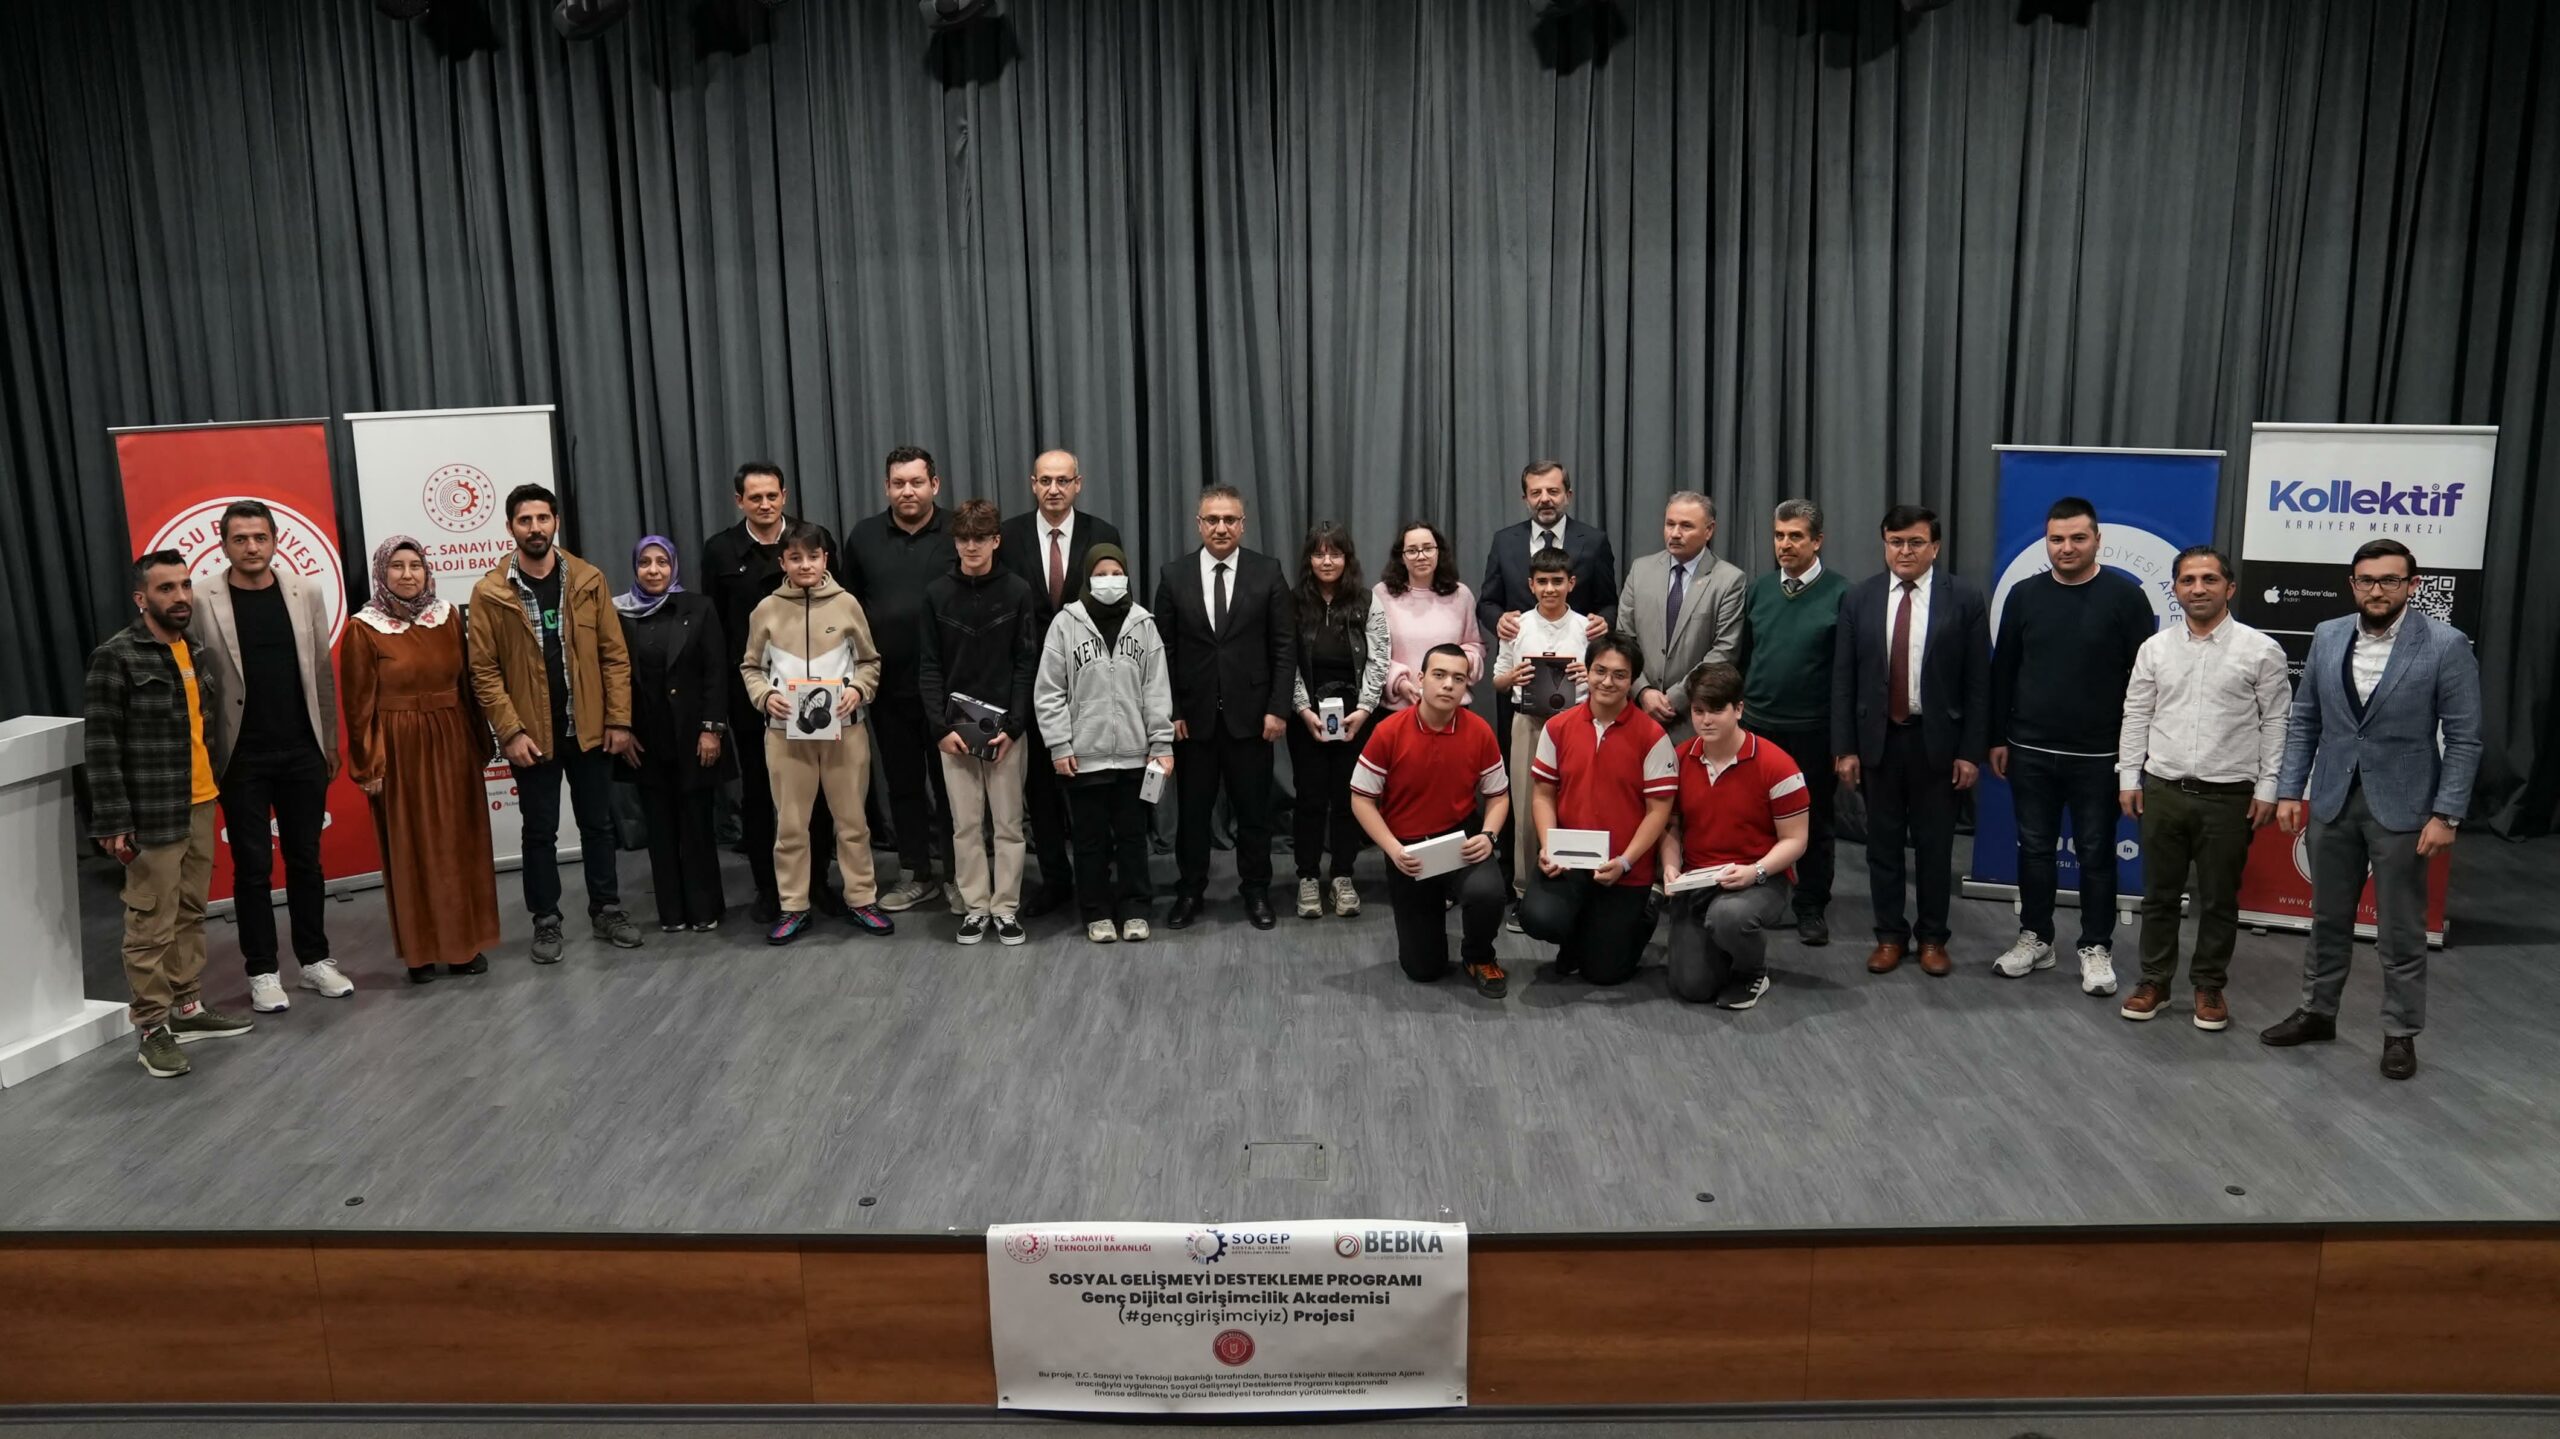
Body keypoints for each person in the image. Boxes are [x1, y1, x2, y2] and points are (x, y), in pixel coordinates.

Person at [2262, 539, 2483, 1081]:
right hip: (2333, 800)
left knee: (2401, 930)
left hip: (2406, 809)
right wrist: (2292, 790)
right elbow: (2306, 717)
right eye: (2366, 580)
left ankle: (2400, 1034)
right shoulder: (2329, 634)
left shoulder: (2445, 644)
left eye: (2389, 580)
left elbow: (2465, 739)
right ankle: (2318, 1013)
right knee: (2326, 919)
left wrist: (2446, 814)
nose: (2377, 589)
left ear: (2412, 585)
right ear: (2352, 584)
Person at [83, 551, 256, 1077]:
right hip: (151, 813)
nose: (180, 597)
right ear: (142, 599)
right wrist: (113, 821)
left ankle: (187, 1008)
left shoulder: (193, 650)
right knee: (150, 922)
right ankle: (152, 1028)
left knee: (190, 913)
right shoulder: (116, 657)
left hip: (202, 801)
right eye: (166, 589)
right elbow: (102, 744)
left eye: (185, 586)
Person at [183, 500, 352, 1013]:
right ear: (223, 544)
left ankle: (315, 962)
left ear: (275, 539)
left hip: (302, 749)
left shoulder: (306, 591)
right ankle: (262, 971)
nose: (251, 547)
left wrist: (328, 740)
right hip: (239, 756)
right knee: (252, 866)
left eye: (260, 537)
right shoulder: (202, 597)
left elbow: (321, 671)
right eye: (240, 539)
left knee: (306, 860)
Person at [1987, 497, 2158, 996]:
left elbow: (2142, 684)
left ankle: (2095, 946)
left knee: (2096, 853)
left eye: (2078, 538)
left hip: (2100, 755)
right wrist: (1996, 736)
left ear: (2097, 539)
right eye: (2057, 539)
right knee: (2035, 849)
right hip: (2030, 749)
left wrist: (2134, 757)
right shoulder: (2023, 594)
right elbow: (2004, 672)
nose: (2066, 547)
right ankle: (2037, 938)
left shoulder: (2127, 598)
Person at [2115, 546, 2289, 1031]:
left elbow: (2277, 721)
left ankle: (2209, 986)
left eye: (2210, 579)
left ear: (2229, 588)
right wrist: (2130, 775)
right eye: (2188, 579)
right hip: (2163, 788)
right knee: (2159, 896)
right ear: (2175, 588)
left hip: (2229, 796)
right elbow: (2137, 715)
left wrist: (2269, 786)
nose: (2198, 588)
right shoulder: (2155, 648)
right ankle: (2155, 981)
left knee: (2218, 899)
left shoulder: (2261, 649)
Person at [468, 484, 644, 963]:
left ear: (556, 522)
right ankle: (546, 921)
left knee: (598, 826)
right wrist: (511, 731)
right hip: (532, 737)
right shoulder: (489, 592)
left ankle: (606, 909)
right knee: (539, 832)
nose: (535, 528)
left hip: (588, 729)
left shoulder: (587, 579)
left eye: (542, 519)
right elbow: (484, 671)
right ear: (510, 528)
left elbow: (614, 657)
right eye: (524, 521)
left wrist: (618, 719)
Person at [1832, 504, 1990, 978]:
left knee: (1935, 846)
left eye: (1915, 542)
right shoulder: (1860, 597)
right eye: (1895, 542)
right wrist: (1845, 747)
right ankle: (1889, 935)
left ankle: (1933, 938)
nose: (1904, 551)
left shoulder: (1962, 597)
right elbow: (1844, 679)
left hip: (1936, 743)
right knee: (1881, 845)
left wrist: (1970, 751)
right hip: (1878, 742)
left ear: (1934, 547)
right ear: (1885, 545)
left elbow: (1979, 682)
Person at [340, 536, 502, 983]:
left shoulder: (448, 616)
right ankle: (421, 952)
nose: (408, 574)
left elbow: (468, 683)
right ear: (381, 573)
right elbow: (358, 706)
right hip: (399, 748)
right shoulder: (363, 627)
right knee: (412, 848)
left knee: (459, 843)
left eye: (416, 565)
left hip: (452, 740)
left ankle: (464, 946)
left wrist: (479, 741)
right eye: (397, 566)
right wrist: (369, 765)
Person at [701, 461, 845, 923]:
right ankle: (771, 887)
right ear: (738, 500)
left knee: (819, 794)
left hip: (817, 694)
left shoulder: (812, 539)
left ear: (784, 496)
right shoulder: (721, 551)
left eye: (772, 496)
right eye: (754, 497)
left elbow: (839, 608)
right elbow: (715, 630)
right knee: (763, 795)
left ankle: (818, 882)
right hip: (756, 695)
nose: (764, 504)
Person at [1153, 484, 1295, 931]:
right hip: (1192, 722)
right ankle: (1190, 892)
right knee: (1193, 815)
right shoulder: (1174, 575)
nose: (1220, 527)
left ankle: (1255, 890)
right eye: (1212, 519)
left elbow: (1284, 646)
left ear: (1242, 524)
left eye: (1229, 519)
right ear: (1199, 524)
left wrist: (1278, 708)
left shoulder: (1267, 572)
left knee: (1254, 813)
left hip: (1252, 719)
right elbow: (1164, 651)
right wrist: (1171, 710)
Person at [742, 521, 892, 943]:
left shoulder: (847, 604)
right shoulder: (766, 609)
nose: (805, 564)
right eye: (795, 557)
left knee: (852, 823)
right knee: (790, 826)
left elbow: (869, 661)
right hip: (786, 736)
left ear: (826, 559)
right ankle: (793, 905)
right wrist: (763, 696)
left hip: (845, 733)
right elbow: (751, 667)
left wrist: (859, 690)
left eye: (813, 556)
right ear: (783, 562)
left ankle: (862, 898)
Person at [999, 449, 1126, 917]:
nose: (1054, 489)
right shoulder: (1008, 536)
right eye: (1045, 480)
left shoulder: (1102, 534)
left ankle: (1101, 878)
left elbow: (1116, 607)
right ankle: (1054, 879)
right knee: (1042, 787)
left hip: (1093, 682)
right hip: (1028, 679)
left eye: (1063, 480)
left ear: (1079, 484)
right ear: (1033, 483)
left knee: (1099, 782)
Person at [1479, 461, 1618, 879]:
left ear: (1567, 495)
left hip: (1579, 704)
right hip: (1524, 700)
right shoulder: (1505, 541)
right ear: (1525, 497)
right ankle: (1518, 878)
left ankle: (1576, 873)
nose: (1545, 499)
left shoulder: (1593, 540)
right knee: (1522, 793)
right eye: (1536, 492)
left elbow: (1610, 599)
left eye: (1553, 491)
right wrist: (1498, 620)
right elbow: (1487, 600)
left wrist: (1603, 621)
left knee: (1578, 793)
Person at [1349, 644, 1513, 997]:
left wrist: (1488, 836)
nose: (1448, 685)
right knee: (1423, 969)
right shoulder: (1388, 731)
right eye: (1439, 675)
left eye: (1458, 678)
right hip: (1408, 850)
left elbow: (1498, 796)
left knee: (1487, 893)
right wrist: (1393, 850)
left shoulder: (1480, 731)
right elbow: (1362, 799)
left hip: (1461, 841)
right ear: (1421, 679)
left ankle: (1479, 956)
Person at [918, 498, 1043, 947]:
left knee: (1009, 823)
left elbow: (1026, 661)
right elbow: (929, 666)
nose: (971, 546)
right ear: (956, 541)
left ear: (995, 540)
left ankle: (1005, 907)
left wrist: (1015, 726)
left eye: (980, 538)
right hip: (954, 731)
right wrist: (939, 728)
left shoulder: (1017, 591)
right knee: (965, 824)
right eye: (964, 538)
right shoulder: (936, 594)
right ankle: (975, 906)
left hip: (1006, 729)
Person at [1036, 545, 1176, 943]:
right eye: (1101, 572)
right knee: (1090, 839)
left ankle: (1135, 908)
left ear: (1127, 575)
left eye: (1117, 571)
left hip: (1134, 757)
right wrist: (1060, 745)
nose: (1109, 579)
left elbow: (1157, 689)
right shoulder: (1065, 625)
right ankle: (1096, 911)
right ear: (1087, 577)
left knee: (1133, 838)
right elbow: (1049, 691)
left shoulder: (1143, 624)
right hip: (1085, 758)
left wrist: (1161, 743)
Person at [1522, 632, 1677, 986]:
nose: (1607, 681)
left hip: (1624, 868)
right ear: (1586, 672)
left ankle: (1643, 912)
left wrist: (1625, 862)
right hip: (1570, 860)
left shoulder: (1652, 737)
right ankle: (1582, 934)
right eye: (1599, 671)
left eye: (1619, 675)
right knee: (1538, 918)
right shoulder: (1557, 727)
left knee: (1605, 974)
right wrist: (1548, 847)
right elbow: (1543, 795)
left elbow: (1659, 811)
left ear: (1632, 680)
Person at [847, 445, 961, 916]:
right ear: (886, 487)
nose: (907, 491)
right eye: (898, 483)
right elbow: (849, 607)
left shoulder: (959, 532)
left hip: (952, 689)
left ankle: (959, 874)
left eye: (917, 482)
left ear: (935, 485)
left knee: (954, 785)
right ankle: (917, 873)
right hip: (888, 688)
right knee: (904, 785)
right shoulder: (864, 537)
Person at [1658, 664, 1810, 1010]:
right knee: (1692, 987)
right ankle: (1719, 945)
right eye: (1698, 711)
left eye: (1716, 710)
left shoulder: (1778, 765)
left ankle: (1751, 969)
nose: (1706, 720)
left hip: (1760, 879)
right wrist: (1670, 866)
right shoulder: (1679, 759)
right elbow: (1671, 826)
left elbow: (1795, 840)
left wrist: (1754, 871)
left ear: (1739, 709)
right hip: (1697, 881)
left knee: (1729, 918)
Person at [1738, 499, 1848, 946]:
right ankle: (1760, 897)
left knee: (1815, 820)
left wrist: (1843, 740)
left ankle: (1811, 906)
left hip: (1813, 729)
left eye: (1796, 536)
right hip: (1760, 725)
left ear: (1817, 541)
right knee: (1754, 817)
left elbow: (1846, 675)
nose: (1785, 544)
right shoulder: (1761, 590)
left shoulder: (1843, 594)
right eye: (1779, 535)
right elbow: (1745, 657)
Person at [612, 536, 732, 933]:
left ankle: (705, 909)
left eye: (662, 562)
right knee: (660, 830)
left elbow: (716, 672)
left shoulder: (699, 608)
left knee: (697, 825)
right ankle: (672, 913)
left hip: (694, 737)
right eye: (644, 562)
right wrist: (622, 730)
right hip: (644, 740)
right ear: (634, 568)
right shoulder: (619, 614)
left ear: (674, 566)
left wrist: (711, 729)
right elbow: (610, 676)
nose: (653, 570)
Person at [1288, 521, 1390, 920]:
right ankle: (1308, 878)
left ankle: (1343, 875)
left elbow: (1380, 657)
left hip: (1357, 717)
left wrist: (1364, 710)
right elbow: (1287, 661)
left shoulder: (1368, 601)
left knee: (1351, 799)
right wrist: (1303, 709)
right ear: (1309, 559)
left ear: (1347, 558)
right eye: (1318, 553)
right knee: (1310, 798)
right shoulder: (1293, 602)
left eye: (1335, 553)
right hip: (1307, 717)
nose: (1326, 560)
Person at [1488, 545, 1589, 914]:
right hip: (1527, 723)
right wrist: (1512, 677)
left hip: (1577, 726)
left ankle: (1573, 884)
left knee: (1576, 805)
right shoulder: (1516, 626)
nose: (1550, 589)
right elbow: (1497, 680)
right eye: (1543, 582)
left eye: (1557, 581)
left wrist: (1588, 676)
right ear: (1531, 585)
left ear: (1571, 583)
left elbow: (1607, 680)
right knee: (1527, 807)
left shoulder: (1586, 628)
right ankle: (1524, 889)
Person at [1620, 492, 1747, 740]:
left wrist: (1675, 698)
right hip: (1638, 713)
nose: (1675, 533)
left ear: (1709, 530)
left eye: (1686, 526)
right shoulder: (1640, 570)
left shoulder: (1729, 580)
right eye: (1670, 524)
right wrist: (1643, 690)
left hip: (1695, 719)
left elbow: (1724, 651)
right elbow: (1624, 638)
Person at [1376, 520, 1485, 715]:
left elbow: (1474, 645)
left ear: (1438, 552)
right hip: (1399, 708)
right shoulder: (1382, 594)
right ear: (1401, 557)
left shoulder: (1461, 595)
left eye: (1428, 548)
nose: (1421, 556)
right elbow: (1375, 652)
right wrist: (1398, 682)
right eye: (1412, 550)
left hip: (1451, 706)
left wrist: (1456, 669)